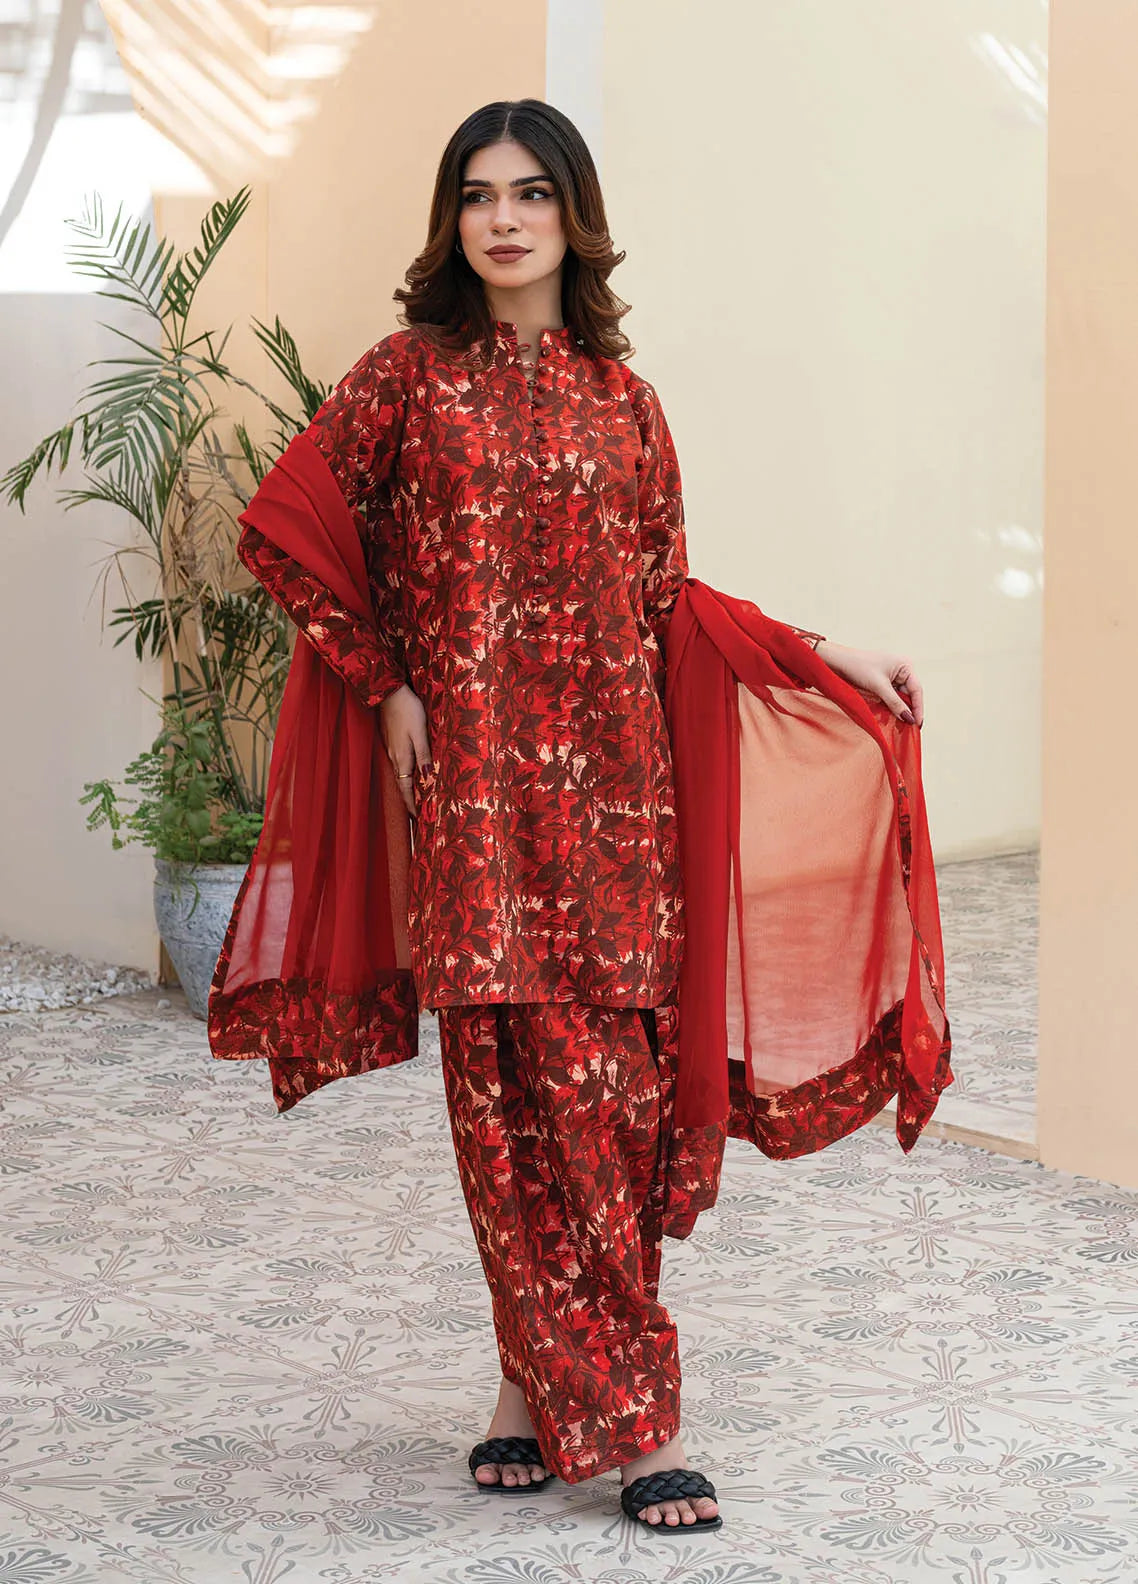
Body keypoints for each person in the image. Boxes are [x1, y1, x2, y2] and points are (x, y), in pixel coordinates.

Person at [226, 99, 935, 1533]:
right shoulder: (406, 381)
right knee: (504, 1103)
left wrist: (821, 650)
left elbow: (665, 599)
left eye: (532, 194)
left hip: (619, 804)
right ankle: (630, 1423)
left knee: (612, 1106)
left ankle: (534, 1391)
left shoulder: (627, 402)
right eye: (478, 195)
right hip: (482, 804)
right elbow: (282, 530)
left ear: (573, 216)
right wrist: (384, 683)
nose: (503, 220)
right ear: (452, 220)